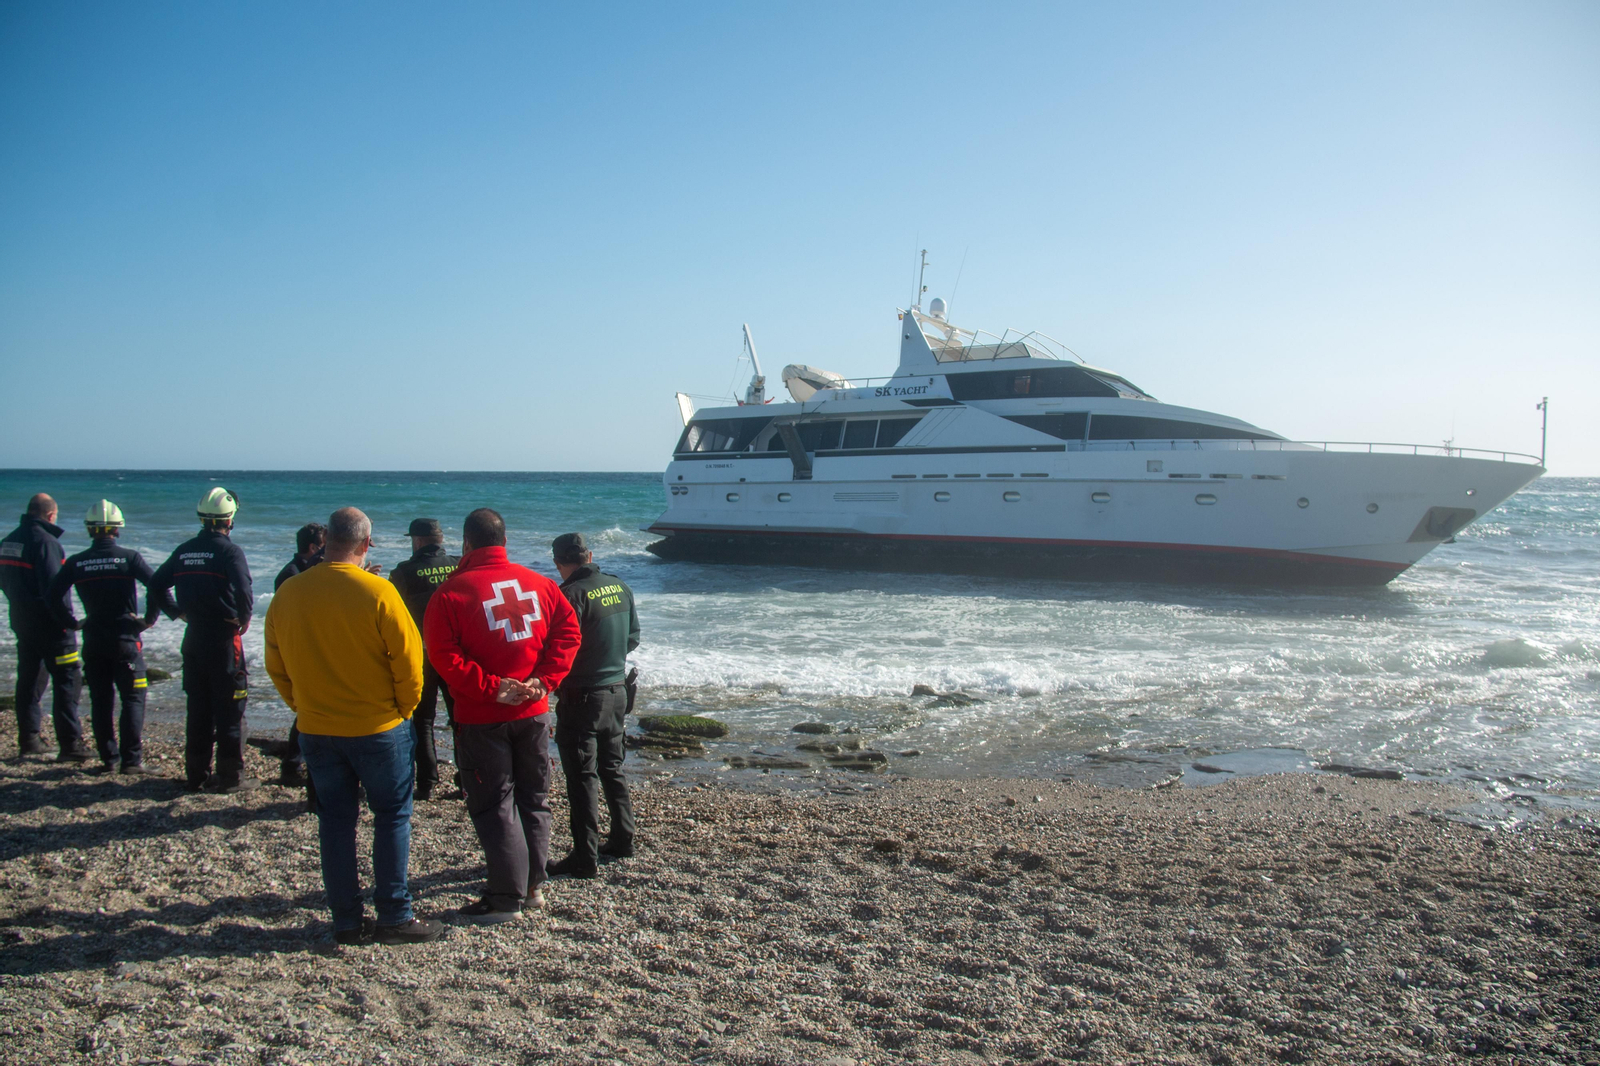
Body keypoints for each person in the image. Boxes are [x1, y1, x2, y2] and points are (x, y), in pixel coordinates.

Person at [264, 506, 442, 946]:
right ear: (366, 545)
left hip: (317, 727)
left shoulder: (289, 592)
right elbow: (410, 663)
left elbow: (276, 664)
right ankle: (394, 915)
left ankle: (346, 920)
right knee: (392, 816)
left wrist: (302, 706)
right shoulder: (378, 592)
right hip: (378, 725)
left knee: (336, 823)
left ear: (326, 543)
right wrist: (403, 710)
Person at [424, 508, 580, 922]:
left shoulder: (452, 593)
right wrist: (544, 681)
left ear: (467, 544)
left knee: (495, 803)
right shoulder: (541, 584)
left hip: (482, 716)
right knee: (534, 797)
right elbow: (569, 632)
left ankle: (505, 898)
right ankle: (532, 888)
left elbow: (443, 656)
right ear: (505, 541)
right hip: (533, 712)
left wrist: (492, 687)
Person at [45, 501, 177, 774]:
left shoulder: (77, 561)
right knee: (132, 698)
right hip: (125, 641)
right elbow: (157, 585)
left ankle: (109, 760)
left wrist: (72, 623)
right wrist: (148, 621)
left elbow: (51, 597)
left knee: (101, 701)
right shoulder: (129, 558)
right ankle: (131, 762)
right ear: (117, 529)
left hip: (94, 640)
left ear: (90, 530)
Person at [149, 487, 257, 792]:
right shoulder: (229, 552)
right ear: (230, 519)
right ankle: (231, 777)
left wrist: (176, 612)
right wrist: (245, 619)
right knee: (231, 708)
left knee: (197, 708)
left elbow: (156, 584)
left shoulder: (185, 550)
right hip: (223, 638)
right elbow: (244, 591)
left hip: (193, 636)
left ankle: (196, 774)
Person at [548, 533, 640, 878]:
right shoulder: (620, 587)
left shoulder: (569, 595)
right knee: (612, 767)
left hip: (582, 697)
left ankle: (584, 857)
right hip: (617, 692)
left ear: (559, 563)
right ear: (589, 555)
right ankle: (622, 838)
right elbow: (633, 637)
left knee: (582, 777)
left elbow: (560, 649)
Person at [0, 493, 91, 762]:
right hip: (53, 627)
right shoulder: (46, 542)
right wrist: (69, 623)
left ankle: (29, 738)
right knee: (67, 680)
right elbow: (56, 590)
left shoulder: (8, 541)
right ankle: (71, 744)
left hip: (22, 621)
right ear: (51, 515)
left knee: (29, 679)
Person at [388, 518, 458, 800]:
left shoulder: (403, 572)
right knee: (460, 719)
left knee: (423, 719)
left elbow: (394, 617)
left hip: (422, 654)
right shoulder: (459, 564)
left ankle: (427, 782)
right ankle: (466, 781)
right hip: (457, 654)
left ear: (416, 541)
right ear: (439, 540)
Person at [272, 522, 326, 787]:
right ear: (313, 547)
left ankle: (295, 763)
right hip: (301, 648)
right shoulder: (291, 575)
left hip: (308, 646)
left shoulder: (304, 571)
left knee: (308, 709)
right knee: (306, 710)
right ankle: (292, 765)